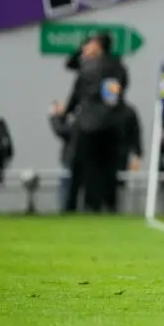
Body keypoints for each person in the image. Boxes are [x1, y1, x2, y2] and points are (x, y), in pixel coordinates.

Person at [64, 33, 128, 212]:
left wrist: (66, 111)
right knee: (109, 167)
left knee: (88, 167)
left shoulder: (87, 68)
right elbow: (117, 93)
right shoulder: (117, 66)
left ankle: (91, 204)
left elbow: (76, 89)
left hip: (89, 125)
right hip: (112, 123)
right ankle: (110, 204)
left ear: (97, 46)